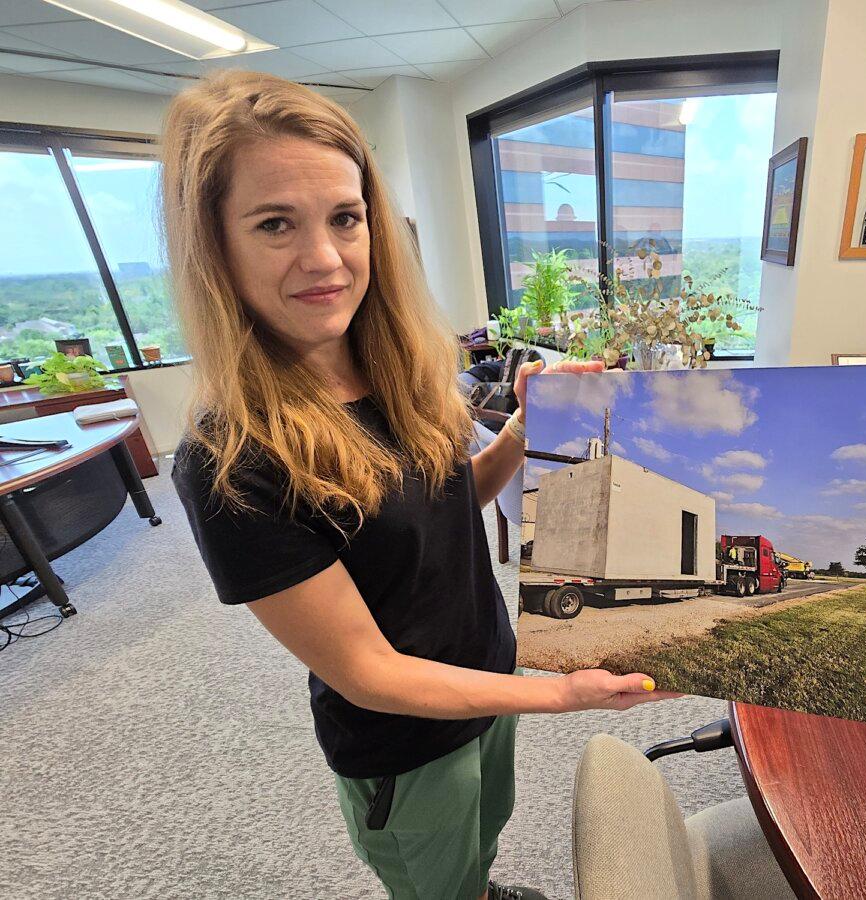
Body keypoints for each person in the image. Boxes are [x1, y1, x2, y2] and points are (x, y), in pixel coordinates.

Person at [162, 71, 677, 900]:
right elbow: (369, 673)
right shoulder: (233, 460)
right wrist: (562, 695)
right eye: (273, 224)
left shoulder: (393, 370)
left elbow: (439, 509)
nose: (324, 258)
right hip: (404, 739)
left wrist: (518, 434)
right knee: (434, 878)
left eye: (345, 217)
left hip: (486, 677)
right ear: (214, 245)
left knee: (481, 844)